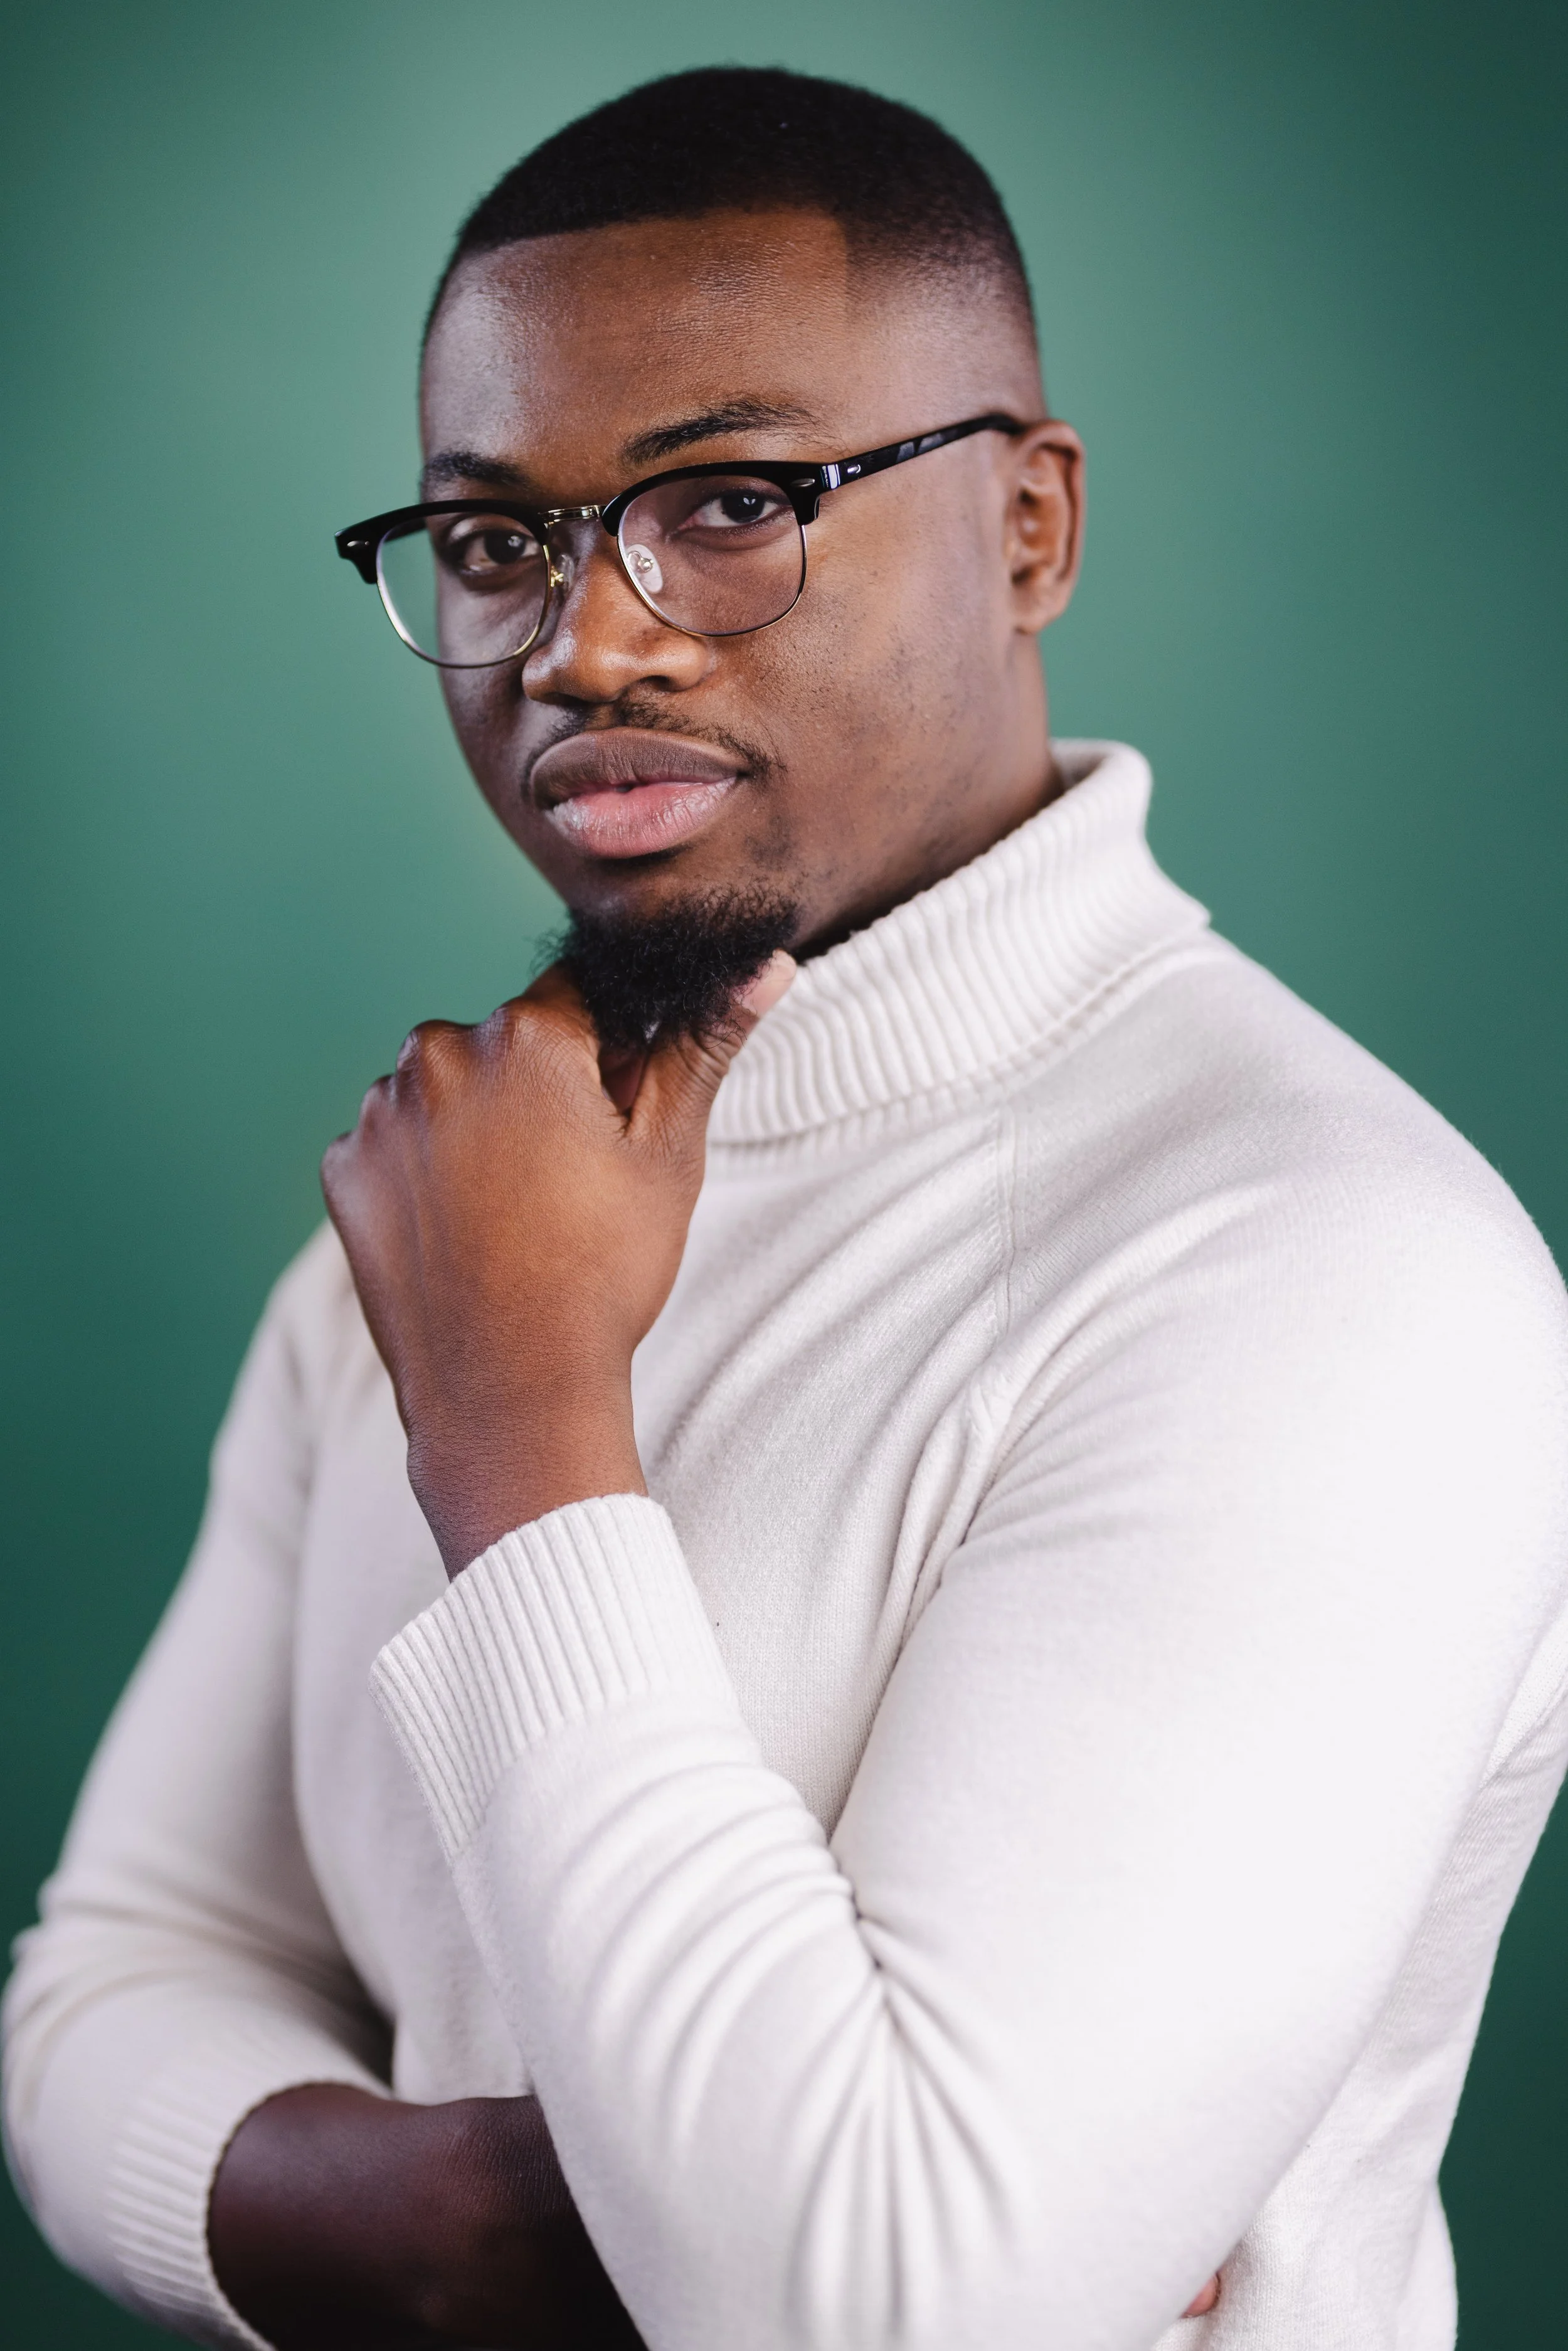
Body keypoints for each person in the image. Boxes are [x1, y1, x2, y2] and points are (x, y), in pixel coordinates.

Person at [6, 63, 1567, 2351]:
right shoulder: (454, 1214)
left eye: (732, 501)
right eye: (494, 539)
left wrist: (522, 1433)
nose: (586, 647)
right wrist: (438, 2228)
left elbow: (887, 2308)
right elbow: (106, 1988)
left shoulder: (1328, 1273)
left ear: (1030, 526)